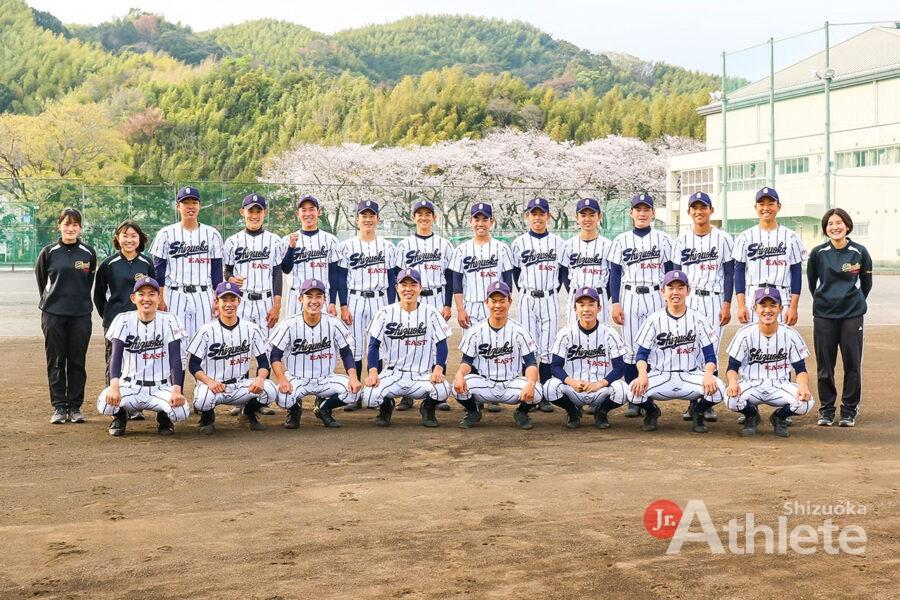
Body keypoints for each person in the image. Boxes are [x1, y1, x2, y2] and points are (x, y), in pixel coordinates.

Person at [624, 270, 726, 433]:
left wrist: (708, 374)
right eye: (671, 287)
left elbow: (710, 355)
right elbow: (641, 355)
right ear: (663, 291)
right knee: (632, 392)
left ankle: (697, 412)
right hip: (661, 375)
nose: (676, 292)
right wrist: (642, 373)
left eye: (680, 287)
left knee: (719, 389)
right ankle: (652, 412)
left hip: (690, 375)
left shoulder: (698, 318)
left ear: (688, 291)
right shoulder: (654, 319)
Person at [608, 193, 674, 418]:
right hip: (630, 296)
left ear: (653, 213)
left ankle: (649, 394)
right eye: (638, 209)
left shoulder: (664, 239)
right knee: (630, 349)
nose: (642, 213)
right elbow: (615, 274)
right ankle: (633, 399)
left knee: (654, 347)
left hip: (656, 295)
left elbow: (671, 271)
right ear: (631, 213)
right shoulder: (621, 240)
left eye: (647, 209)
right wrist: (615, 302)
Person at [96, 277, 189, 436]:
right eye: (141, 294)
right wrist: (114, 387)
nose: (146, 299)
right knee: (106, 405)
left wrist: (176, 390)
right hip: (130, 387)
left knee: (181, 412)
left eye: (152, 294)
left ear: (159, 298)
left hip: (161, 387)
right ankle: (120, 415)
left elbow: (175, 358)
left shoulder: (170, 320)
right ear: (133, 298)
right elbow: (115, 356)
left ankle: (164, 415)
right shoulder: (123, 320)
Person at [672, 191, 734, 423]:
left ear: (711, 210)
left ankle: (707, 404)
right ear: (689, 212)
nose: (699, 211)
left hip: (714, 299)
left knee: (711, 349)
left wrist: (727, 303)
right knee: (690, 348)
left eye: (703, 207)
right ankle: (693, 402)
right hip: (689, 299)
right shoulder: (681, 241)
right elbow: (675, 277)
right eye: (695, 208)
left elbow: (729, 273)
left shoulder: (723, 238)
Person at [807, 208, 873, 427]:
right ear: (826, 228)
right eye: (830, 223)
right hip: (824, 315)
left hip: (852, 315)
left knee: (852, 364)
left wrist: (853, 302)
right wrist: (826, 300)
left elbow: (866, 284)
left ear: (847, 226)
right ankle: (826, 410)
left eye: (839, 223)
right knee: (825, 365)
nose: (835, 227)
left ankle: (849, 410)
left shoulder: (860, 252)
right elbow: (812, 282)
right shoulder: (818, 253)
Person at [363, 268, 453, 427]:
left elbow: (441, 344)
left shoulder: (431, 312)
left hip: (421, 375)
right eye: (403, 284)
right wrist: (373, 371)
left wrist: (438, 369)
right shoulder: (384, 313)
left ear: (420, 287)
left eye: (413, 284)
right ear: (396, 287)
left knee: (444, 389)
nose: (408, 289)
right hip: (392, 374)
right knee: (368, 395)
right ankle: (386, 407)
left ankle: (428, 408)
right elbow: (373, 346)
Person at [332, 200, 398, 411]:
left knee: (376, 346)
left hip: (379, 299)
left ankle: (373, 389)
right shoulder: (346, 246)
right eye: (364, 215)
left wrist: (389, 307)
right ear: (357, 219)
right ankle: (357, 390)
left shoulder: (388, 246)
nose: (367, 219)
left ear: (378, 219)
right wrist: (343, 305)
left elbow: (391, 280)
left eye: (371, 215)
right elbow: (341, 278)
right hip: (355, 299)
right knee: (354, 347)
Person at [269, 278, 361, 429]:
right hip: (297, 379)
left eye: (318, 296)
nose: (314, 301)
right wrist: (282, 379)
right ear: (300, 299)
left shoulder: (334, 323)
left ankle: (324, 408)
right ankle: (295, 410)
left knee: (354, 393)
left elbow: (346, 353)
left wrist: (353, 377)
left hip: (326, 379)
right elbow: (275, 355)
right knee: (282, 397)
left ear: (325, 299)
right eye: (309, 296)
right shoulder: (289, 324)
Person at [449, 202, 515, 413]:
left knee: (495, 346)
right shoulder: (462, 250)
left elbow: (508, 280)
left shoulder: (502, 248)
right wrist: (460, 308)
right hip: (471, 304)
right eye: (476, 219)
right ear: (470, 222)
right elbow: (457, 282)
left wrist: (504, 305)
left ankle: (493, 392)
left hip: (494, 305)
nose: (480, 223)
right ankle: (476, 394)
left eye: (484, 219)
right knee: (473, 350)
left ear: (491, 222)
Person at [187, 282, 277, 434]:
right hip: (213, 386)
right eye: (224, 300)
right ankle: (207, 417)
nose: (229, 304)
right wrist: (210, 382)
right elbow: (193, 365)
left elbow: (263, 362)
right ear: (217, 302)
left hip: (240, 385)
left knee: (271, 390)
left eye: (232, 300)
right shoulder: (206, 330)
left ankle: (247, 414)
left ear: (239, 301)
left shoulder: (251, 329)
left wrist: (260, 379)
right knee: (202, 400)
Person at [724, 287, 815, 437]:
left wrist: (803, 386)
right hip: (751, 384)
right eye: (763, 305)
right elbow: (732, 367)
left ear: (780, 308)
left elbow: (800, 369)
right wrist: (733, 382)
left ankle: (779, 417)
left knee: (806, 403)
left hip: (780, 385)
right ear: (755, 308)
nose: (768, 310)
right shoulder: (744, 334)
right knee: (730, 399)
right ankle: (751, 415)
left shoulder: (791, 335)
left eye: (773, 305)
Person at [35, 207, 97, 424]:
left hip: (80, 314)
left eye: (75, 224)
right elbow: (42, 281)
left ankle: (75, 406)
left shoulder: (88, 253)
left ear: (80, 227)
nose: (70, 228)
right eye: (66, 224)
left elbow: (88, 282)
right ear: (59, 225)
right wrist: (54, 302)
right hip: (54, 315)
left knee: (77, 361)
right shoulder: (48, 252)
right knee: (56, 361)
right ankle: (59, 407)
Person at [453, 281, 543, 430]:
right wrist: (459, 374)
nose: (498, 305)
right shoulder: (475, 332)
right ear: (486, 303)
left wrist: (531, 383)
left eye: (502, 301)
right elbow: (467, 361)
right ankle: (473, 412)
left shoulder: (520, 331)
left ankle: (521, 413)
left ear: (509, 302)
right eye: (493, 301)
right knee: (456, 386)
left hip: (511, 385)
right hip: (485, 384)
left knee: (538, 391)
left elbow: (531, 363)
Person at [149, 186, 224, 364]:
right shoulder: (165, 234)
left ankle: (204, 391)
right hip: (176, 294)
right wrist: (160, 297)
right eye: (185, 203)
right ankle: (177, 391)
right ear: (178, 207)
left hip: (204, 294)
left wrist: (217, 298)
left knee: (205, 346)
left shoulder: (212, 234)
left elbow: (216, 271)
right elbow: (158, 270)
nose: (190, 206)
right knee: (176, 346)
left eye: (194, 202)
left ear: (199, 206)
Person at [393, 199, 455, 412]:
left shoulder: (444, 244)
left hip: (436, 296)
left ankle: (438, 391)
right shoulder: (404, 245)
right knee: (409, 340)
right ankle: (407, 395)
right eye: (419, 214)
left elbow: (449, 276)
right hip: (410, 298)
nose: (424, 217)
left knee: (438, 340)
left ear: (434, 218)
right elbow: (397, 277)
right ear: (414, 218)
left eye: (427, 213)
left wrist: (447, 305)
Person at [510, 197, 568, 413]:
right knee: (529, 346)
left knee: (548, 346)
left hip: (550, 297)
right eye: (533, 213)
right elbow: (516, 274)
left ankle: (543, 393)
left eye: (541, 213)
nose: (537, 217)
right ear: (528, 216)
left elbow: (563, 274)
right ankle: (531, 390)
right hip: (527, 297)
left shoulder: (558, 243)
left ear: (548, 216)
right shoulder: (518, 243)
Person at [93, 220, 155, 421]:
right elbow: (99, 296)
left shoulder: (146, 263)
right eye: (125, 236)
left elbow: (154, 292)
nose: (129, 240)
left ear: (140, 239)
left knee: (138, 361)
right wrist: (110, 317)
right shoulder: (108, 264)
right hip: (115, 322)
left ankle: (135, 405)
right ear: (118, 239)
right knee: (114, 362)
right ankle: (116, 408)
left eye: (133, 236)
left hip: (142, 322)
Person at [545, 286, 629, 429]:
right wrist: (572, 382)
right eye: (581, 305)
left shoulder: (610, 333)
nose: (586, 309)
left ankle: (601, 412)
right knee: (548, 388)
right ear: (575, 309)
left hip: (601, 390)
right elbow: (555, 366)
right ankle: (573, 412)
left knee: (624, 389)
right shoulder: (565, 333)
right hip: (574, 389)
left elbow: (620, 368)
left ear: (599, 308)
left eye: (591, 304)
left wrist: (600, 384)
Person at [733, 187, 808, 326]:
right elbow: (738, 273)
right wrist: (741, 305)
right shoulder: (745, 237)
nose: (766, 208)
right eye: (762, 204)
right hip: (753, 297)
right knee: (754, 343)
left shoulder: (791, 237)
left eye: (771, 204)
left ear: (778, 206)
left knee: (781, 342)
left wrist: (793, 307)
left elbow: (796, 274)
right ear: (755, 207)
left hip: (782, 297)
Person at [223, 193, 287, 329]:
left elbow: (277, 274)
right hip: (241, 301)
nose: (254, 215)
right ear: (242, 212)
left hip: (266, 301)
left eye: (259, 211)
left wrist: (277, 306)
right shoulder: (232, 241)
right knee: (240, 346)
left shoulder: (274, 240)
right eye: (250, 211)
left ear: (265, 213)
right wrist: (230, 279)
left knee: (266, 347)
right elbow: (227, 271)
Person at [281, 194, 341, 318]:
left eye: (312, 209)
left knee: (323, 335)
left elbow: (333, 274)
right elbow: (286, 269)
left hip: (321, 298)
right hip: (296, 297)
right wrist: (291, 248)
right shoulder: (287, 239)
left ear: (318, 212)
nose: (308, 213)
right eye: (304, 210)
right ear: (297, 213)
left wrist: (332, 302)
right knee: (295, 335)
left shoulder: (331, 240)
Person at [561, 198, 612, 327]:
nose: (587, 219)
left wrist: (604, 295)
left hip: (599, 296)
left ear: (599, 216)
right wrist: (575, 293)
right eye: (583, 215)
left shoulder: (608, 245)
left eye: (592, 215)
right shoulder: (568, 245)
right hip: (576, 296)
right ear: (577, 217)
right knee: (574, 338)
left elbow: (613, 275)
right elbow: (564, 274)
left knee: (600, 339)